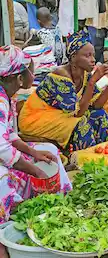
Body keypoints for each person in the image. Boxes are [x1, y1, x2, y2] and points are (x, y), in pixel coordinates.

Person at [0, 46, 72, 258]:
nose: (34, 73)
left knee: (48, 150)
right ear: (20, 78)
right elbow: (3, 149)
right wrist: (35, 171)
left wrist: (34, 152)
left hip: (4, 151)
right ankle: (5, 229)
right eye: (30, 70)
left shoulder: (7, 97)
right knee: (3, 179)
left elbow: (11, 136)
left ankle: (58, 204)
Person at [18, 29, 108, 152]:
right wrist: (93, 81)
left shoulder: (85, 74)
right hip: (35, 119)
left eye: (93, 55)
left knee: (99, 115)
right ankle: (85, 159)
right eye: (87, 56)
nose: (93, 59)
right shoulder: (60, 76)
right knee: (80, 123)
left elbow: (97, 106)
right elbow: (78, 113)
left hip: (59, 115)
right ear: (73, 57)